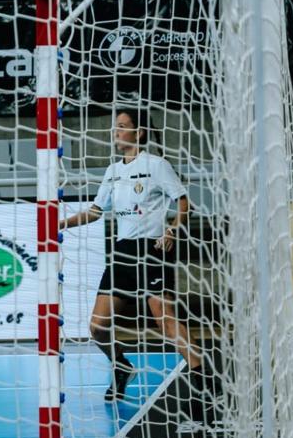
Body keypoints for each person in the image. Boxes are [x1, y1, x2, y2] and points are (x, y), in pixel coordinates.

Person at [59, 106, 213, 404]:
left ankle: (204, 382)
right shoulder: (113, 171)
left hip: (152, 251)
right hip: (123, 253)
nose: (116, 131)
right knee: (97, 327)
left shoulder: (156, 165)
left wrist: (172, 229)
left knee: (166, 322)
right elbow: (95, 211)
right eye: (115, 126)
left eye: (122, 126)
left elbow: (183, 204)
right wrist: (62, 223)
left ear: (138, 132)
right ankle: (122, 366)